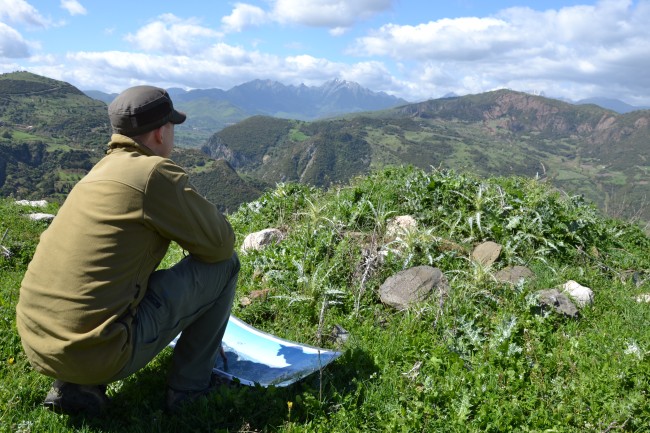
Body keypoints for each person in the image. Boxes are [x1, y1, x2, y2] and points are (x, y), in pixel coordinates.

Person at [16, 85, 239, 415]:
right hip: (97, 351)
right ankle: (190, 389)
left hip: (37, 342)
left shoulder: (97, 172)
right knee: (226, 267)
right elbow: (220, 246)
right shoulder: (152, 173)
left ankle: (75, 385)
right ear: (161, 132)